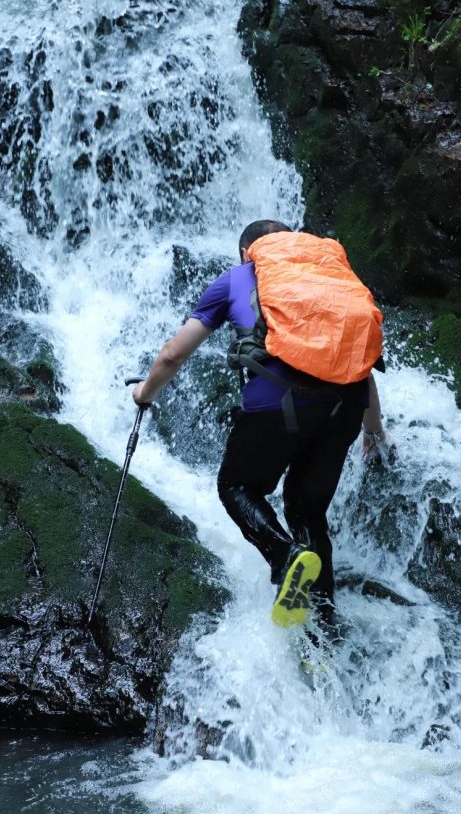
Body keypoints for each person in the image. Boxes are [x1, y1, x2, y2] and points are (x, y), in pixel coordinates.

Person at [132, 220, 386, 629]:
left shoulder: (238, 279)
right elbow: (360, 365)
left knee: (237, 486)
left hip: (279, 401)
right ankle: (323, 623)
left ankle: (285, 556)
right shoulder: (329, 280)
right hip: (346, 405)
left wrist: (144, 394)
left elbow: (172, 355)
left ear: (248, 252)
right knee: (308, 509)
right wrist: (373, 430)